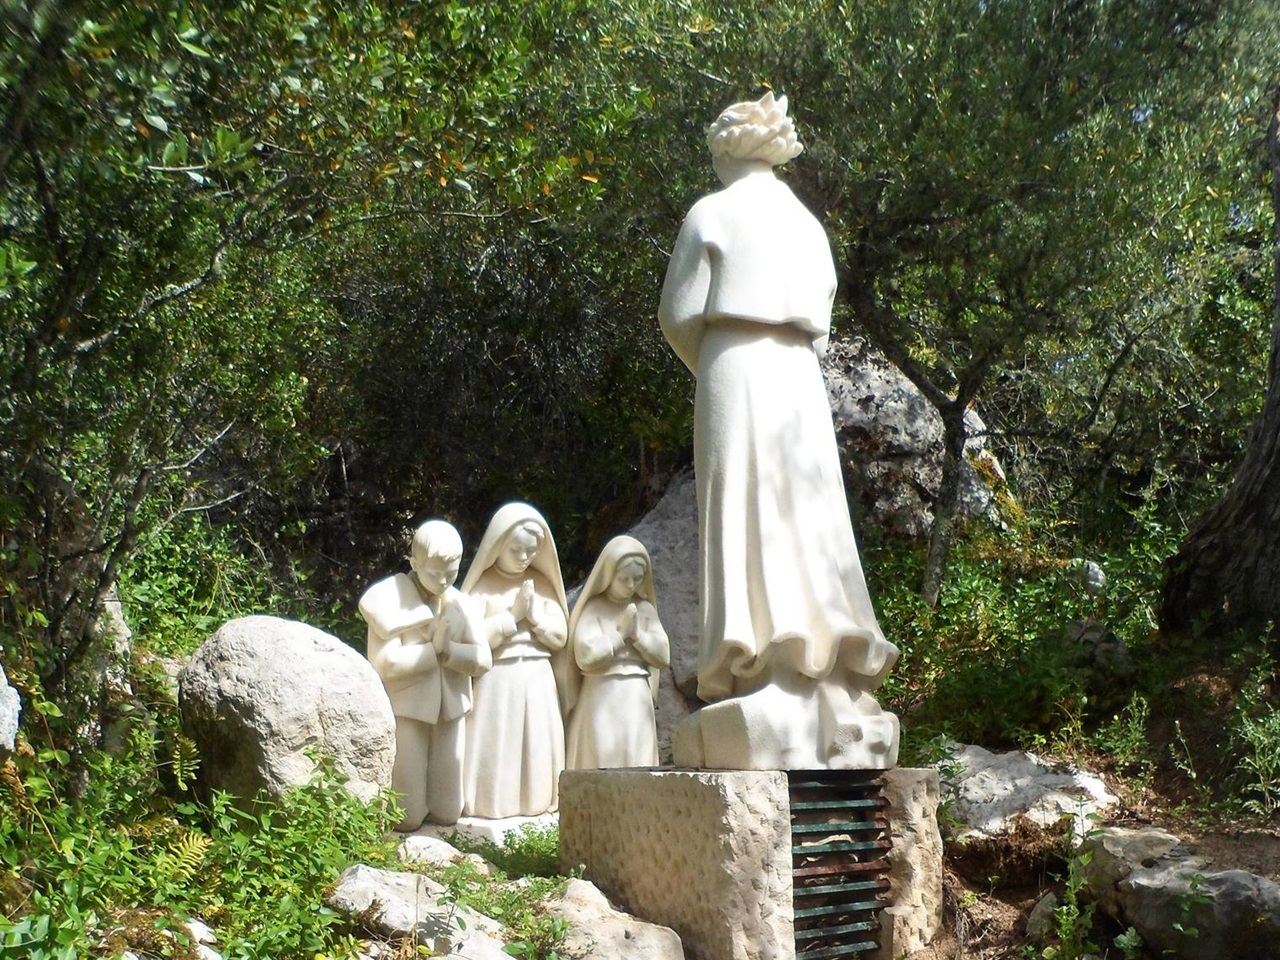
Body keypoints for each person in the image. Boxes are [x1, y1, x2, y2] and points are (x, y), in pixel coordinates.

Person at [658, 92, 900, 769]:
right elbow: (822, 311)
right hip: (797, 372)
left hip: (731, 361)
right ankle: (821, 655)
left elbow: (677, 313)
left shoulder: (710, 213)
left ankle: (756, 650)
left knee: (740, 502)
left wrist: (712, 362)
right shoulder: (805, 223)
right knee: (805, 509)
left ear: (725, 149)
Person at [359, 519, 489, 829]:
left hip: (452, 709)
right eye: (434, 573)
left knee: (448, 810)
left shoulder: (461, 603)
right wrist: (431, 653)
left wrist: (450, 652)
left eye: (452, 573)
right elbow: (384, 663)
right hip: (410, 709)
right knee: (407, 811)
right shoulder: (388, 600)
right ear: (415, 563)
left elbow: (484, 658)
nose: (444, 581)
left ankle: (440, 808)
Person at [460, 502, 571, 817]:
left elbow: (560, 637)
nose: (524, 557)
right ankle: (492, 805)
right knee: (497, 744)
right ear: (498, 545)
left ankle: (535, 804)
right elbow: (471, 638)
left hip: (537, 677)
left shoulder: (543, 585)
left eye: (531, 551)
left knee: (536, 744)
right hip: (496, 679)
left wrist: (535, 617)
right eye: (516, 549)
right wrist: (512, 617)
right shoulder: (481, 587)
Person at [566, 536, 669, 769]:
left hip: (636, 693)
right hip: (602, 692)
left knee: (636, 753)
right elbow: (585, 657)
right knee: (602, 754)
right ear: (608, 574)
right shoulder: (593, 609)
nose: (631, 585)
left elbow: (663, 655)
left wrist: (638, 637)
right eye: (624, 579)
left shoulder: (645, 609)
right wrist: (620, 636)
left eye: (637, 579)